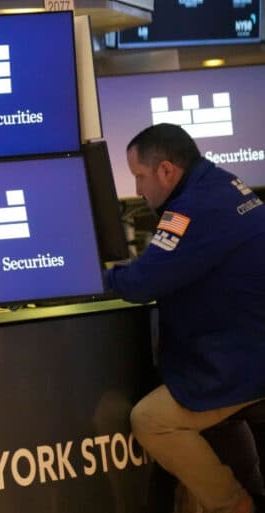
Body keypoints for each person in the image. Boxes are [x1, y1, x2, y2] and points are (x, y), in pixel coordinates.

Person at [104, 123, 265, 513]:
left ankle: (235, 505)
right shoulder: (223, 184)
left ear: (166, 170)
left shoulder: (193, 209)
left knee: (151, 420)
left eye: (140, 176)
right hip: (248, 343)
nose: (138, 190)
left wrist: (91, 277)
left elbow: (142, 283)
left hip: (242, 362)